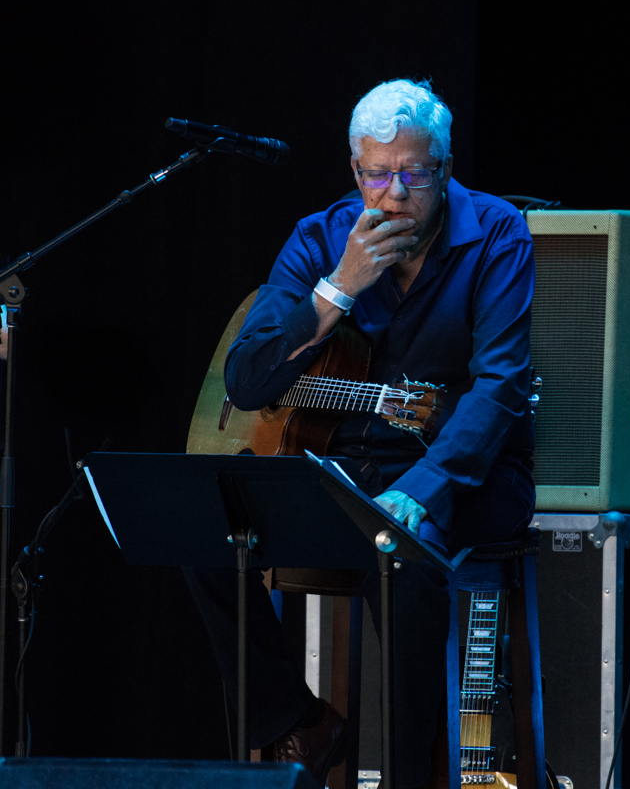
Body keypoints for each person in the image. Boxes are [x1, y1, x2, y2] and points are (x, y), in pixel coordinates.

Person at [185, 78, 536, 787]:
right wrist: (338, 286)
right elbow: (250, 381)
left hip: (465, 475)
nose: (396, 193)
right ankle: (296, 722)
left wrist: (425, 489)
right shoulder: (319, 237)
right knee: (202, 530)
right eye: (379, 175)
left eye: (415, 173)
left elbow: (499, 386)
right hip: (339, 472)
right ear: (355, 170)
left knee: (403, 560)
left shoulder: (497, 233)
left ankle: (407, 777)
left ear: (443, 165)